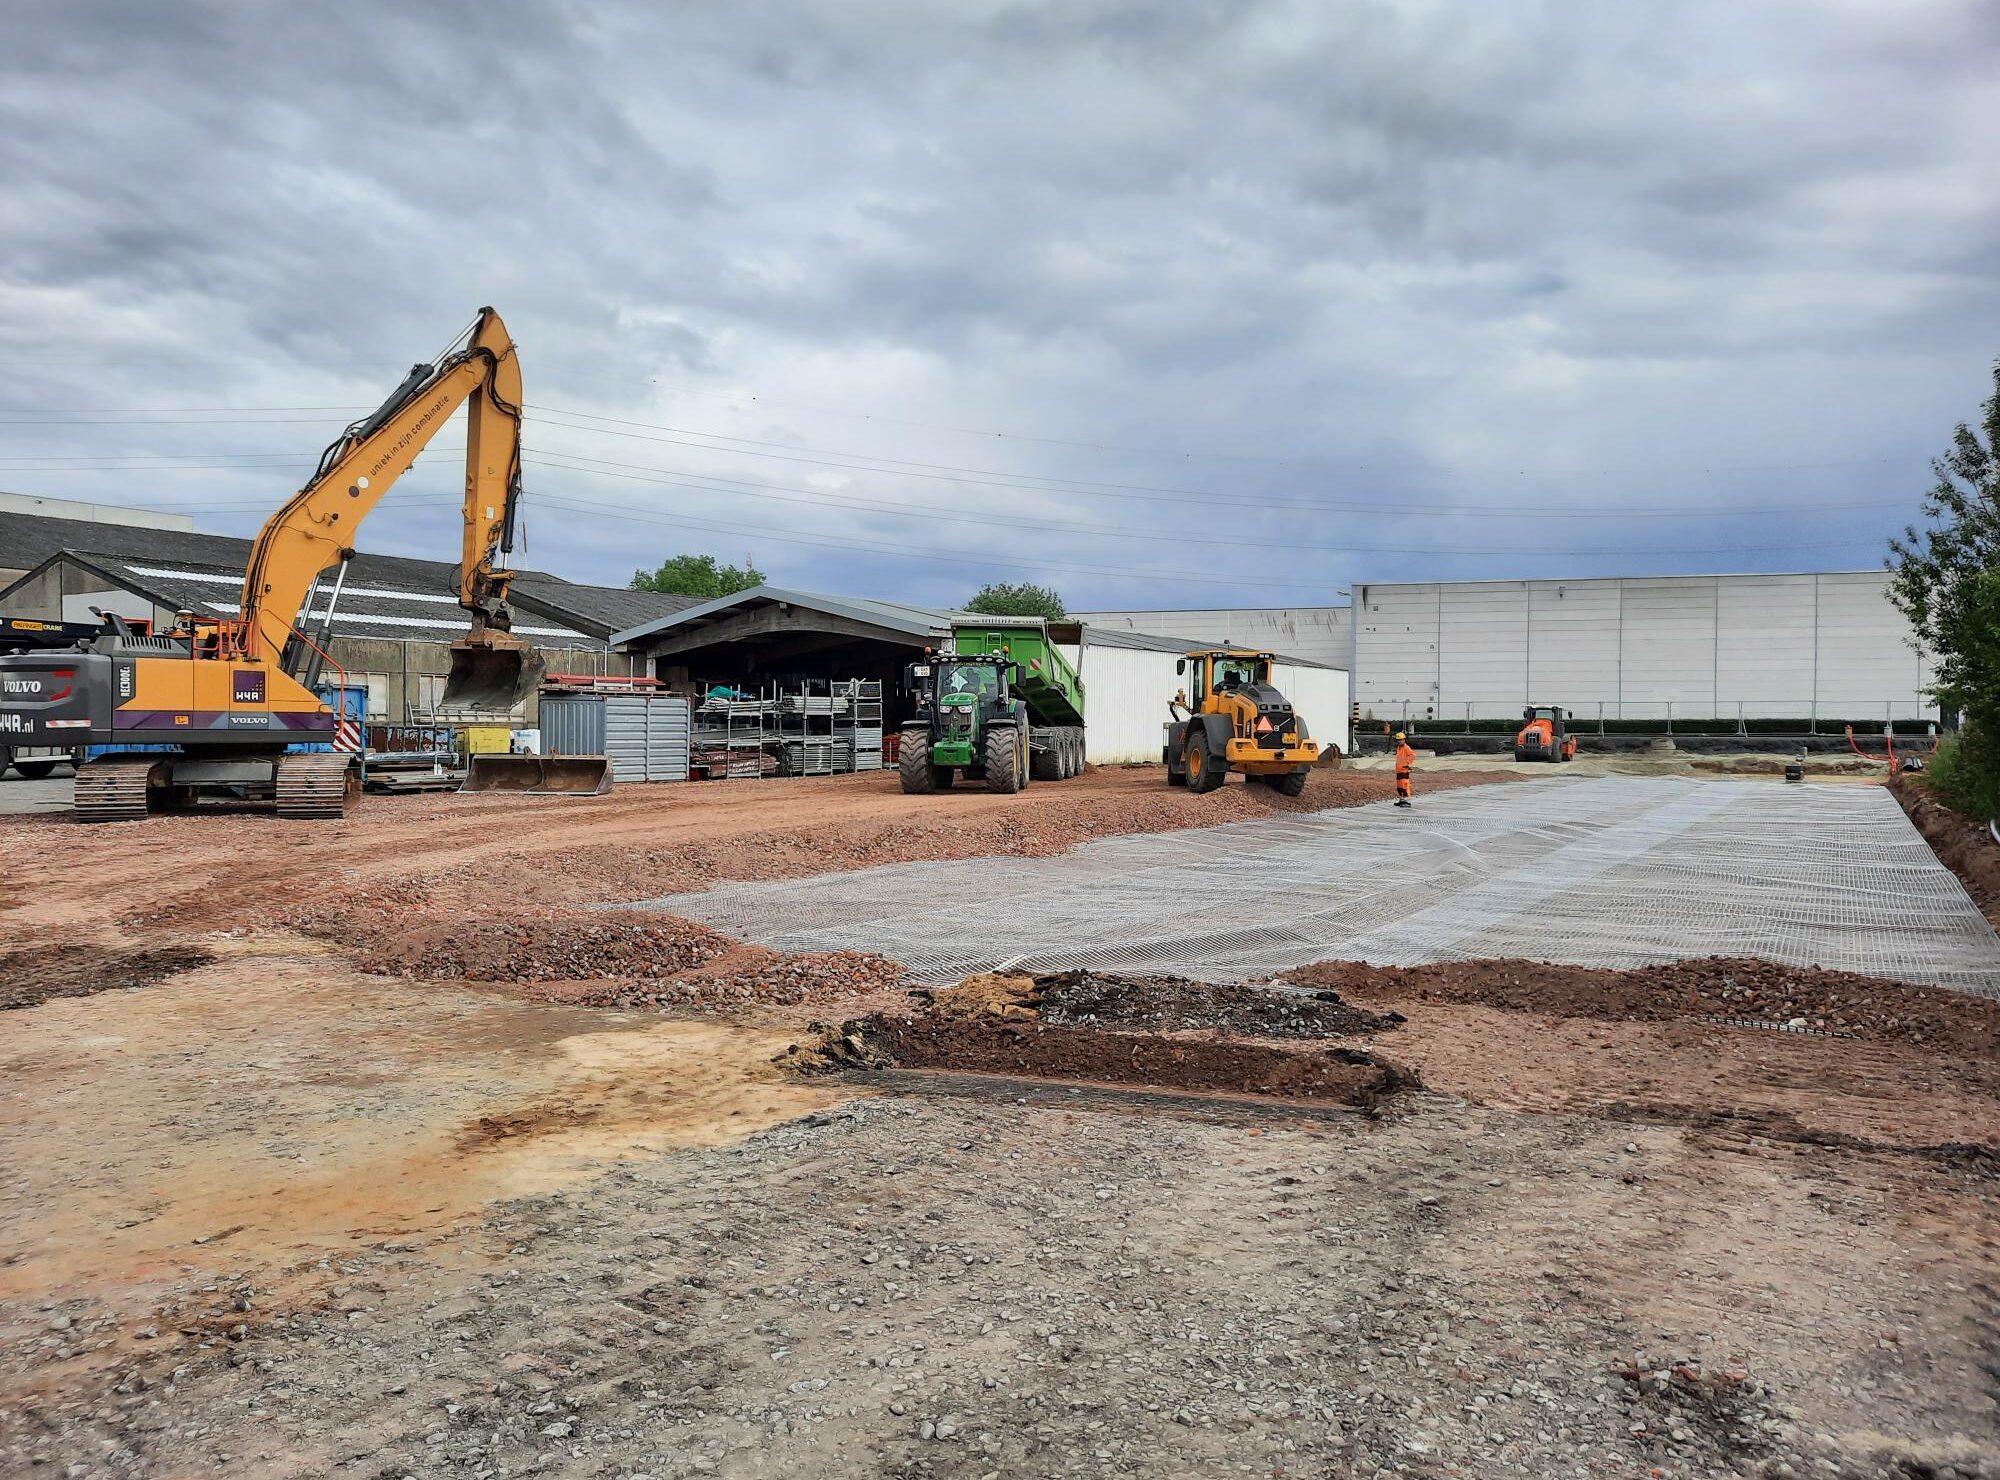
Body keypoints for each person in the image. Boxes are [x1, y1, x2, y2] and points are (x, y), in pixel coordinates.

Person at [1394, 731, 1415, 807]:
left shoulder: (1406, 747)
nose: (1399, 741)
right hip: (1399, 770)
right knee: (1399, 786)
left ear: (1404, 740)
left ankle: (1407, 801)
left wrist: (1407, 763)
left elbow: (1412, 755)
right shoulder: (1399, 748)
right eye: (1398, 740)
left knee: (1404, 785)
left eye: (1401, 740)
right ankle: (1402, 799)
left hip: (1404, 770)